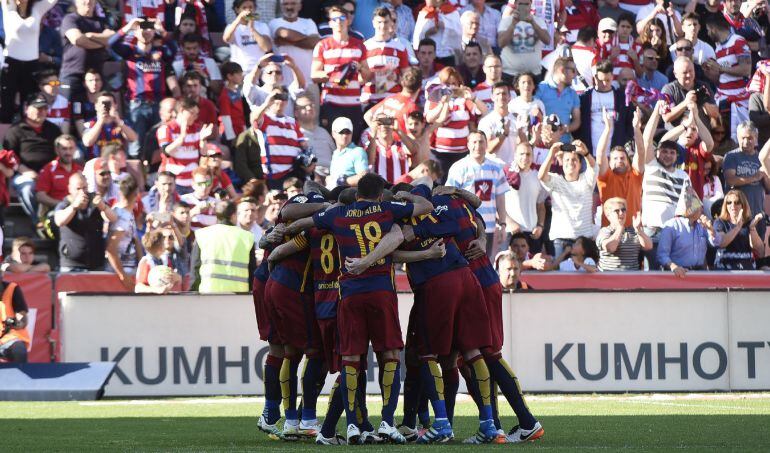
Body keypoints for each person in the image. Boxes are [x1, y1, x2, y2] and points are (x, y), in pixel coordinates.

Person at [285, 173, 434, 444]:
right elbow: (426, 206)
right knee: (389, 354)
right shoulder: (387, 209)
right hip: (380, 290)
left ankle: (352, 425)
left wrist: (282, 230)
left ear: (357, 194)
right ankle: (387, 422)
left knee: (351, 360)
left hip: (349, 293)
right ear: (379, 194)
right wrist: (407, 197)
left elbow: (300, 221)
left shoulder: (338, 213)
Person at [109, 17, 179, 158]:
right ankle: (138, 177)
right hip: (138, 104)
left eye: (149, 28)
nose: (146, 31)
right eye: (142, 27)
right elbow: (111, 44)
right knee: (136, 146)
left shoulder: (161, 52)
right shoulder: (129, 51)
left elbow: (175, 48)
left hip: (159, 105)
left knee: (161, 142)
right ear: (135, 32)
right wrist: (128, 26)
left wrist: (162, 30)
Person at [446, 131, 510, 258]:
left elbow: (500, 199)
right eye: (474, 142)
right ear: (468, 145)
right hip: (466, 226)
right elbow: (449, 196)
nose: (478, 145)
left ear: (486, 144)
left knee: (485, 265)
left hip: (489, 227)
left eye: (481, 142)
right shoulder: (459, 167)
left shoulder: (496, 168)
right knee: (467, 265)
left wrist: (503, 224)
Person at [311, 4, 369, 138]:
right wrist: (336, 73)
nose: (339, 22)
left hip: (353, 104)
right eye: (335, 19)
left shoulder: (359, 44)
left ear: (348, 21)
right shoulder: (322, 45)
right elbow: (314, 75)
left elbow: (366, 77)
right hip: (331, 103)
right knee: (332, 142)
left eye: (342, 18)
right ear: (330, 23)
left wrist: (359, 68)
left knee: (353, 141)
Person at [4, 93, 62, 225]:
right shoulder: (15, 130)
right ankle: (40, 223)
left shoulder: (53, 129)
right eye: (37, 108)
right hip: (25, 173)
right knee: (27, 188)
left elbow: (61, 151)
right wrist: (25, 170)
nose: (41, 112)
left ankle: (57, 220)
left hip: (52, 172)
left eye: (44, 108)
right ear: (26, 108)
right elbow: (9, 156)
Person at [425, 67, 487, 180]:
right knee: (440, 185)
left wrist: (473, 98)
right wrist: (443, 103)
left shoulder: (464, 100)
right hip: (440, 153)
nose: (451, 87)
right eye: (447, 83)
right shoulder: (435, 98)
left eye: (454, 83)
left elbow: (483, 111)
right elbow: (429, 118)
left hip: (462, 152)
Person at [539, 140, 597, 258]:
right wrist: (551, 154)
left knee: (585, 276)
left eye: (574, 159)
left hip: (584, 240)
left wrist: (585, 153)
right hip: (561, 240)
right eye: (567, 160)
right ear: (562, 163)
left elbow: (594, 167)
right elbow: (541, 176)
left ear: (580, 165)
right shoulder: (556, 180)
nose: (571, 162)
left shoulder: (587, 180)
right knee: (561, 276)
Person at [54, 172, 116, 272]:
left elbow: (113, 218)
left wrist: (103, 207)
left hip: (96, 264)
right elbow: (59, 221)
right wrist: (74, 207)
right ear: (70, 189)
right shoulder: (65, 203)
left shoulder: (94, 199)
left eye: (85, 188)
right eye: (78, 189)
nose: (82, 192)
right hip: (71, 265)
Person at [704, 14, 751, 141]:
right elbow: (721, 79)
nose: (708, 34)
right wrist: (709, 72)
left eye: (708, 30)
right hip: (723, 100)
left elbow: (746, 70)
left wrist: (720, 68)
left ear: (713, 28)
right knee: (723, 140)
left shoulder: (738, 41)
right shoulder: (718, 48)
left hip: (739, 100)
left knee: (741, 139)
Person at [191, 200, 256, 292]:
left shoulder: (202, 234)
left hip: (208, 293)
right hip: (239, 295)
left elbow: (195, 269)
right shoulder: (247, 237)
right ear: (233, 215)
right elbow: (252, 270)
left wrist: (193, 292)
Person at [596, 107, 645, 226]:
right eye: (615, 158)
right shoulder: (605, 177)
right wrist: (608, 129)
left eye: (623, 158)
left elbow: (641, 151)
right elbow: (600, 154)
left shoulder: (635, 175)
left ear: (628, 161)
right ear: (609, 162)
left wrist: (636, 128)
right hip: (610, 230)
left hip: (634, 231)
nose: (619, 161)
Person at [252, 86, 308, 188]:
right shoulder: (266, 118)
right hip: (274, 175)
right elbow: (255, 119)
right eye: (276, 96)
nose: (280, 100)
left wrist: (308, 162)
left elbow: (303, 145)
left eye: (283, 97)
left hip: (293, 173)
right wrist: (266, 103)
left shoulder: (293, 122)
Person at [156, 97, 215, 193]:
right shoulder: (166, 129)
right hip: (174, 182)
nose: (195, 117)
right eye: (192, 113)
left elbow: (203, 154)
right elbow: (166, 152)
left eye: (196, 114)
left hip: (192, 181)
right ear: (182, 111)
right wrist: (182, 138)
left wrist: (203, 139)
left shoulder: (197, 128)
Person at [657, 187, 720, 276]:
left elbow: (716, 243)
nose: (701, 209)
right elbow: (662, 255)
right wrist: (673, 267)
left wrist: (711, 229)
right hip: (678, 274)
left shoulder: (702, 225)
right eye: (697, 205)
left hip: (700, 273)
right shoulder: (671, 226)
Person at [59, 0, 115, 100]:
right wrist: (102, 43)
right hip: (73, 75)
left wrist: (90, 36)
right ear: (76, 2)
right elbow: (78, 40)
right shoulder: (70, 19)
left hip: (96, 77)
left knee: (101, 110)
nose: (88, 1)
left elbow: (112, 38)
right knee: (71, 111)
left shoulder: (101, 22)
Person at [576, 60, 633, 155]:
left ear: (612, 77)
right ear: (595, 78)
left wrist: (623, 142)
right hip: (589, 153)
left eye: (607, 80)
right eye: (601, 80)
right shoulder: (585, 98)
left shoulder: (622, 99)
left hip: (614, 155)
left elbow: (629, 124)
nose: (604, 84)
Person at [361, 6, 410, 106]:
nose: (382, 26)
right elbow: (360, 79)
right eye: (379, 22)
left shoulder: (400, 47)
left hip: (392, 101)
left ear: (391, 23)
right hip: (370, 100)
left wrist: (395, 78)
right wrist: (370, 75)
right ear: (373, 23)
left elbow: (407, 78)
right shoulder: (365, 47)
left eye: (386, 22)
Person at [504, 142, 547, 254]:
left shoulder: (538, 176)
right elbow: (497, 204)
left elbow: (541, 205)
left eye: (528, 154)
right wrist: (509, 222)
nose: (525, 157)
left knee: (532, 269)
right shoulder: (505, 175)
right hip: (512, 231)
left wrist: (540, 225)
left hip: (532, 232)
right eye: (521, 154)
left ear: (532, 157)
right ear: (515, 156)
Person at [724, 121, 770, 219]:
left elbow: (769, 188)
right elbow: (731, 180)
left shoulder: (761, 158)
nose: (745, 142)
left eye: (749, 138)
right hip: (736, 214)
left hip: (758, 213)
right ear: (737, 137)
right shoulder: (731, 156)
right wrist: (754, 177)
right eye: (742, 138)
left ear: (756, 138)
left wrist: (765, 177)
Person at [269, 0, 320, 86]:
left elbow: (314, 43)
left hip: (307, 81)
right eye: (285, 4)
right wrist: (307, 38)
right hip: (282, 83)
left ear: (300, 6)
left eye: (293, 3)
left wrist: (289, 42)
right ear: (281, 7)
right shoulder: (274, 23)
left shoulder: (308, 22)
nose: (289, 7)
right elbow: (285, 33)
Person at [497, 0, 550, 80]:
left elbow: (547, 40)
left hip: (533, 73)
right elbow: (501, 43)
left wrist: (533, 23)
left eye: (526, 4)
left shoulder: (538, 21)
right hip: (510, 73)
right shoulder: (506, 21)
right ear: (515, 5)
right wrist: (513, 24)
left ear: (531, 5)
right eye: (520, 4)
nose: (523, 7)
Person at [713, 189, 765, 270]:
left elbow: (760, 251)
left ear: (743, 205)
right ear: (725, 205)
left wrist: (752, 229)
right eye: (729, 202)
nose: (733, 205)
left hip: (746, 270)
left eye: (737, 202)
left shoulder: (749, 222)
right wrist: (738, 227)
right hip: (725, 269)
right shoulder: (719, 222)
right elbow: (722, 242)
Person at [105, 175, 141, 290]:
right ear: (136, 194)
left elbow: (135, 240)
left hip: (128, 270)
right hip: (121, 273)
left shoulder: (123, 211)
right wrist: (123, 276)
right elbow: (111, 249)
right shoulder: (122, 216)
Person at [596, 197, 653, 270]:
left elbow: (649, 246)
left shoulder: (633, 231)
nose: (621, 213)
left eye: (623, 210)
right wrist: (619, 228)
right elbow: (610, 248)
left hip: (631, 278)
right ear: (608, 215)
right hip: (609, 278)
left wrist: (638, 230)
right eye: (617, 211)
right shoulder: (605, 231)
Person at [81, 91, 139, 160]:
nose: (105, 107)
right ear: (96, 106)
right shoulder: (91, 124)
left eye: (108, 104)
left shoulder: (122, 123)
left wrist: (118, 121)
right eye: (102, 104)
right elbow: (87, 142)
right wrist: (100, 121)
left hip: (118, 162)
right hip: (98, 162)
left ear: (115, 105)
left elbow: (134, 138)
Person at [535, 58, 581, 144]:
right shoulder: (541, 88)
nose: (575, 75)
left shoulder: (573, 94)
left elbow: (576, 121)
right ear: (562, 70)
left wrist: (566, 128)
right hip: (543, 145)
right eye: (573, 71)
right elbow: (533, 112)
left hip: (564, 146)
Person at [223, 0, 273, 75]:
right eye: (244, 8)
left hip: (260, 71)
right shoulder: (231, 27)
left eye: (250, 7)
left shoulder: (262, 26)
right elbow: (227, 39)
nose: (248, 10)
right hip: (240, 72)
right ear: (237, 10)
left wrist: (252, 29)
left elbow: (266, 47)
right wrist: (238, 20)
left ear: (255, 9)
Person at [478, 82, 519, 165]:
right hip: (494, 168)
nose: (501, 97)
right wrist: (503, 135)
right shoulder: (486, 121)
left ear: (509, 97)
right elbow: (488, 149)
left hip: (513, 169)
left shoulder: (517, 120)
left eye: (504, 93)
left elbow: (522, 146)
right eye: (497, 94)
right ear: (492, 97)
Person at [413, 0, 462, 67]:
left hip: (447, 55)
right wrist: (427, 33)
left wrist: (445, 26)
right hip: (430, 56)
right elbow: (417, 37)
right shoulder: (424, 13)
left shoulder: (452, 12)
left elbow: (458, 34)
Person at [295, 94, 335, 175]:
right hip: (311, 175)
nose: (309, 108)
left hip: (332, 174)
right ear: (296, 113)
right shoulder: (294, 134)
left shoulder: (324, 132)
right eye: (304, 107)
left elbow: (336, 154)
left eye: (311, 105)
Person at [134, 229, 182, 294]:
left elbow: (176, 278)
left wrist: (177, 278)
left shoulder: (166, 260)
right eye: (163, 240)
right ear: (160, 245)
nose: (165, 242)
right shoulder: (147, 262)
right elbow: (138, 288)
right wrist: (156, 290)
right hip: (149, 301)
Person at [327, 117, 368, 189]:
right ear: (333, 134)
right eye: (341, 132)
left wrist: (341, 181)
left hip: (350, 197)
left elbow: (364, 178)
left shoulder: (358, 151)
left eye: (348, 132)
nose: (345, 136)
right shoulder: (335, 154)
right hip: (335, 197)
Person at [0, 277, 31, 363]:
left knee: (18, 350)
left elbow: (22, 318)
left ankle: (19, 375)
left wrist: (18, 323)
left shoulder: (12, 288)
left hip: (9, 337)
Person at [233, 111, 265, 184]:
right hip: (254, 180)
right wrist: (252, 179)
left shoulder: (269, 134)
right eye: (255, 119)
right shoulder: (244, 137)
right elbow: (240, 164)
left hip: (271, 177)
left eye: (260, 118)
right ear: (251, 120)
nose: (258, 121)